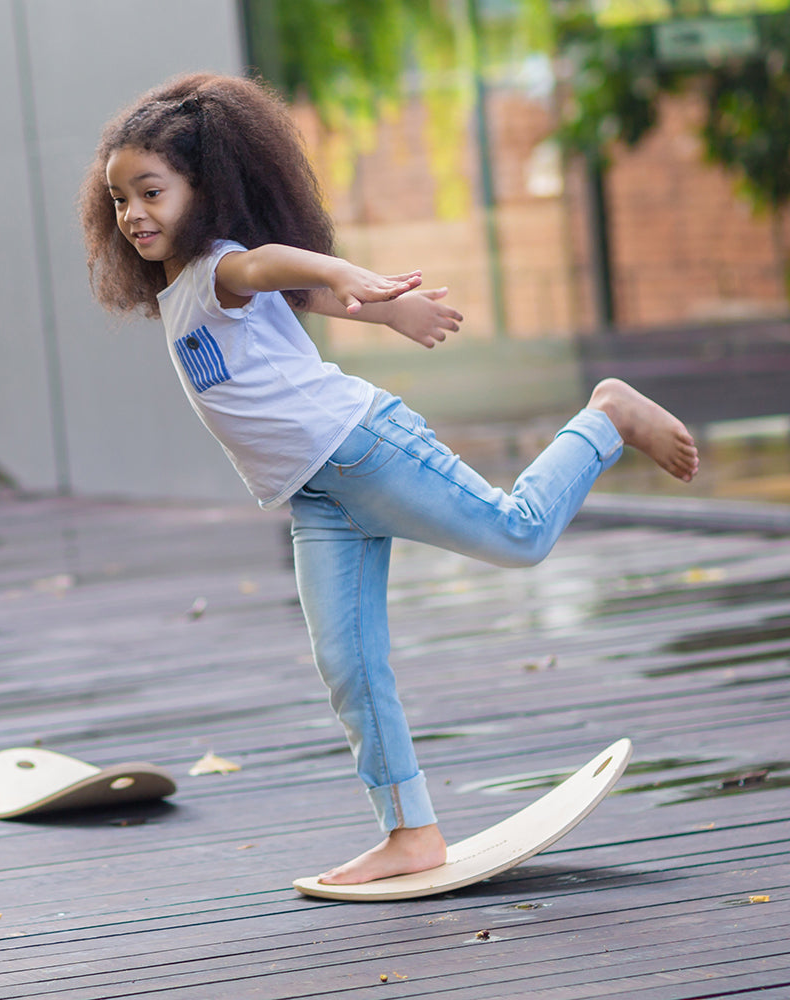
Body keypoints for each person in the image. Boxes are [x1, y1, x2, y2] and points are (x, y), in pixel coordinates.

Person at [78, 72, 699, 886]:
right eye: (120, 199)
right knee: (350, 666)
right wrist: (381, 308)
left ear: (206, 188)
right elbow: (296, 294)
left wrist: (343, 276)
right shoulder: (183, 290)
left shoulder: (223, 267)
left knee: (517, 535)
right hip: (319, 497)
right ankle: (410, 831)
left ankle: (605, 418)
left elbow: (272, 267)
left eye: (152, 191)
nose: (134, 215)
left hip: (363, 448)